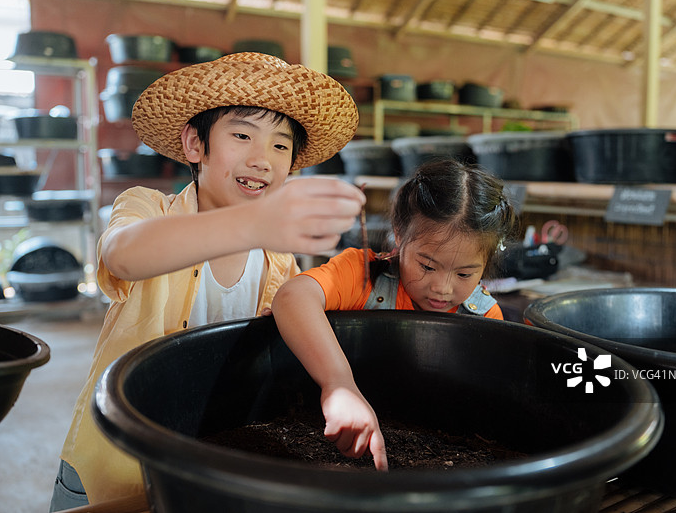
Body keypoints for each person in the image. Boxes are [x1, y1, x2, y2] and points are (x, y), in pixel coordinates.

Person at [50, 52, 365, 510]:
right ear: (195, 146)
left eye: (280, 146)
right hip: (117, 458)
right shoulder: (145, 208)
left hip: (207, 456)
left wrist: (340, 383)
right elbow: (123, 256)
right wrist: (254, 224)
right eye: (242, 135)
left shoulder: (278, 256)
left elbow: (298, 319)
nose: (262, 159)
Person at [271, 158, 518, 471]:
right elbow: (293, 297)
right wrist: (339, 384)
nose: (442, 288)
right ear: (399, 235)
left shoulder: (485, 317)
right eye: (427, 266)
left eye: (465, 274)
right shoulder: (362, 276)